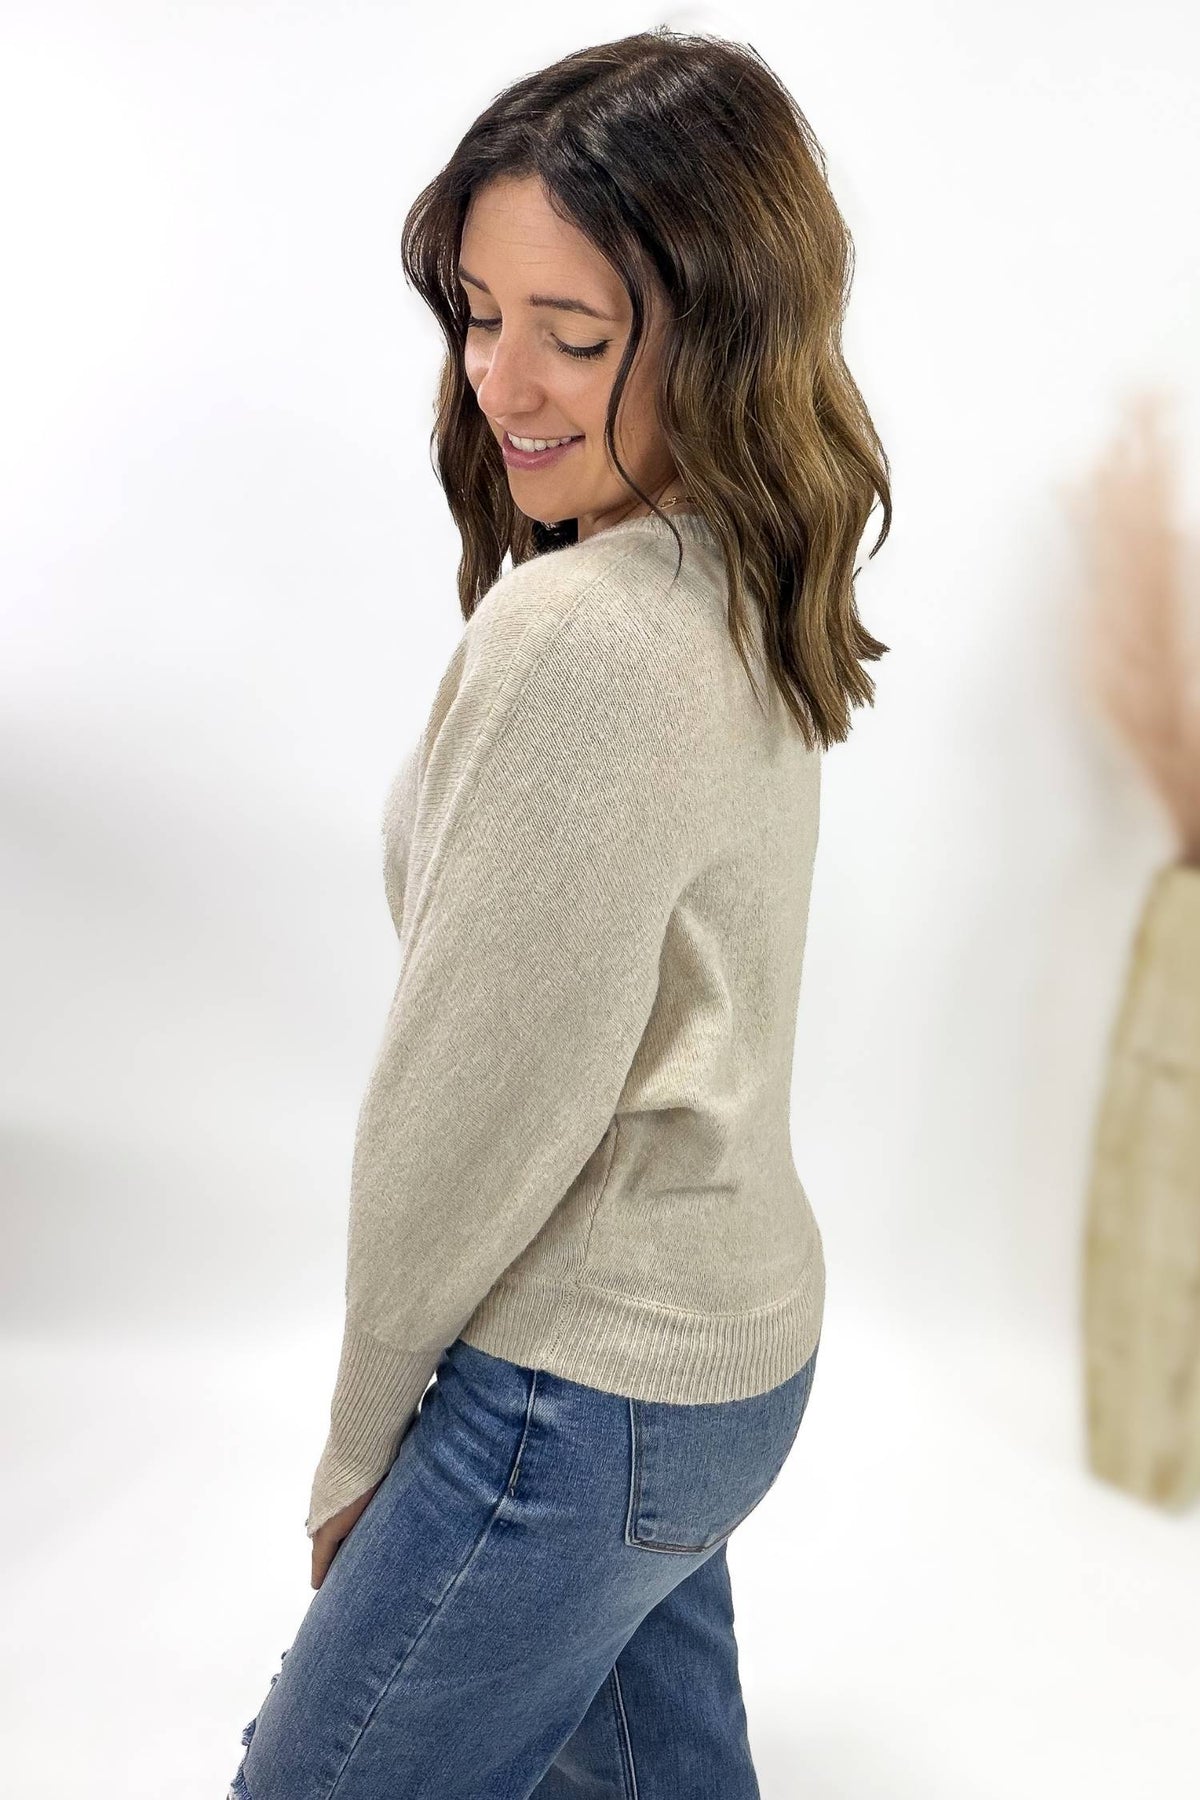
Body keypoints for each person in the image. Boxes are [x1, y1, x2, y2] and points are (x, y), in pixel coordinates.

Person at [228, 25, 891, 1800]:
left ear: (726, 330)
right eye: (476, 310)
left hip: (575, 1403)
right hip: (731, 1369)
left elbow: (469, 1105)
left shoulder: (580, 637)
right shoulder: (755, 567)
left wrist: (360, 1449)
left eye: (575, 335)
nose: (504, 379)